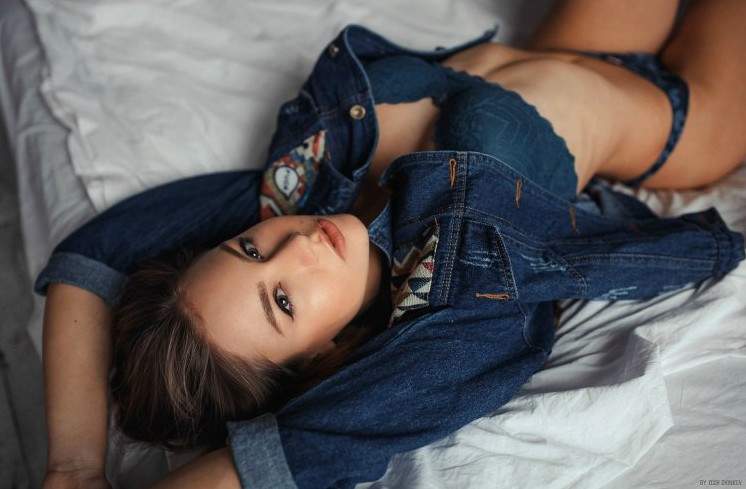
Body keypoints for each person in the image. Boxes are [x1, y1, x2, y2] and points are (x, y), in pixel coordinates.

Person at [38, 1, 746, 488]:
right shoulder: (470, 291)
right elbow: (273, 459)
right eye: (282, 301)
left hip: (572, 46)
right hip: (690, 115)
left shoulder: (301, 184)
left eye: (248, 250)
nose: (294, 248)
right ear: (324, 354)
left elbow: (98, 254)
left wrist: (74, 466)